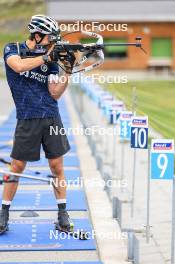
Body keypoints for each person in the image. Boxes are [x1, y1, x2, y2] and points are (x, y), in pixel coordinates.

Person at [0, 14, 75, 234]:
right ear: (37, 34)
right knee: (17, 168)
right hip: (27, 117)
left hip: (52, 116)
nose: (52, 43)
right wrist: (48, 57)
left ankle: (63, 215)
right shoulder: (12, 49)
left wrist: (67, 73)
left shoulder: (49, 58)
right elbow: (19, 67)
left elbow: (55, 93)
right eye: (49, 38)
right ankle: (4, 213)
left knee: (57, 167)